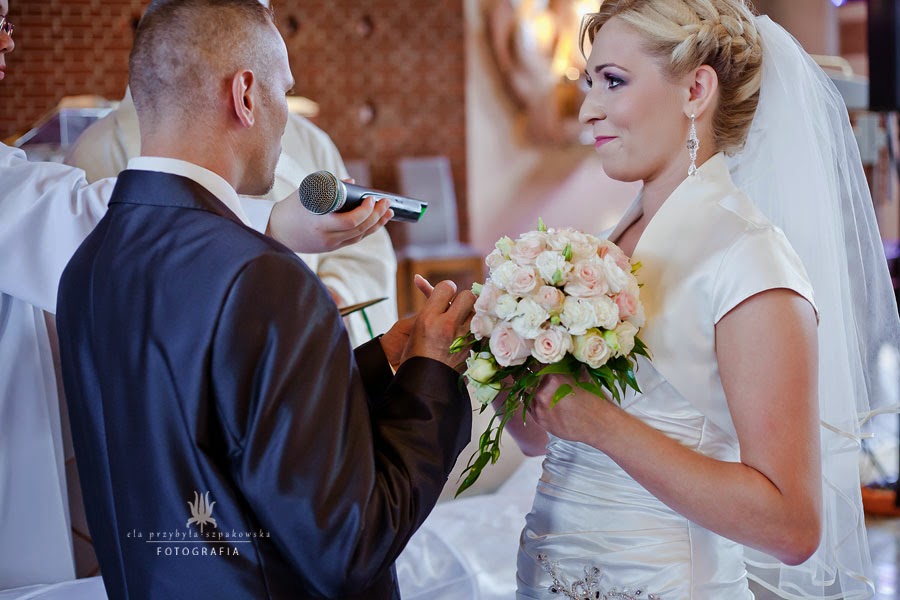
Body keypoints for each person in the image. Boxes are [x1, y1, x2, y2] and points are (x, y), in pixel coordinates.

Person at [55, 1, 475, 598]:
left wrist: (378, 364)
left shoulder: (88, 264)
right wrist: (432, 374)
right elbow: (349, 547)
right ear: (246, 95)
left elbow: (208, 428)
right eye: (286, 91)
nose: (286, 117)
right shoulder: (265, 276)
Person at [497, 1, 899, 598]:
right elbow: (541, 439)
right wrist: (498, 361)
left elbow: (792, 527)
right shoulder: (605, 247)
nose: (587, 109)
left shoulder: (749, 260)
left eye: (613, 81)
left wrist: (604, 425)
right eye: (590, 83)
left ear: (695, 90)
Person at [0, 0, 393, 588]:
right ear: (244, 93)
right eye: (0, 19)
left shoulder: (107, 246)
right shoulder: (117, 190)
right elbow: (108, 233)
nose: (9, 41)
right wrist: (428, 388)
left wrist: (354, 345)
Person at [64, 41, 398, 348]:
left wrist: (333, 296)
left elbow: (364, 253)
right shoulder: (100, 150)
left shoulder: (308, 141)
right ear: (245, 93)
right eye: (284, 90)